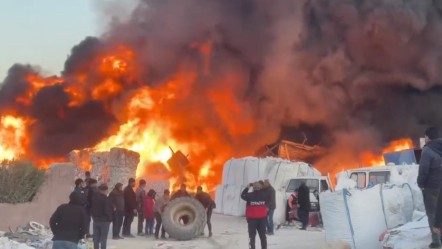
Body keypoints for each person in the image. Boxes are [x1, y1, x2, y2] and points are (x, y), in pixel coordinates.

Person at [418, 126, 442, 248]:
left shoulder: (427, 150)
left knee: (432, 213)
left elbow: (423, 171)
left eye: (426, 136)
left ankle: (436, 241)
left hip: (432, 188)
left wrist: (421, 184)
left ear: (428, 137)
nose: (425, 139)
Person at [241, 182, 267, 249]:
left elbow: (242, 195)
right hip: (262, 219)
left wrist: (247, 187)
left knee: (252, 237)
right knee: (263, 236)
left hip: (252, 220)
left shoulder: (249, 195)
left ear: (253, 188)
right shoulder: (265, 195)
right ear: (260, 187)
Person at [91, 183, 113, 249]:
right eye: (106, 191)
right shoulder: (106, 199)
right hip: (104, 221)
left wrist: (94, 217)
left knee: (96, 238)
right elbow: (107, 210)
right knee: (103, 238)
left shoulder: (94, 198)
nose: (107, 192)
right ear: (104, 190)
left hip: (96, 220)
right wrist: (110, 218)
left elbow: (92, 209)